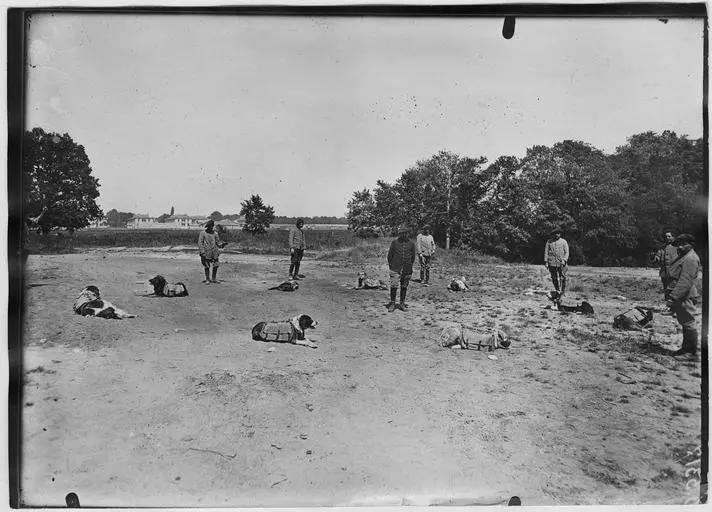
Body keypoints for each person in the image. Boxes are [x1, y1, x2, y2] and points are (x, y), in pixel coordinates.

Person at [666, 234, 701, 357]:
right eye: (679, 244)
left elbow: (685, 281)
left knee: (688, 322)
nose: (680, 247)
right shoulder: (684, 256)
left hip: (685, 295)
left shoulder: (690, 258)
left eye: (683, 244)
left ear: (691, 245)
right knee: (684, 321)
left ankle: (690, 351)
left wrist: (673, 297)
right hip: (682, 295)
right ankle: (686, 348)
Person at [386, 225, 416, 312]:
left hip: (407, 268)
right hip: (395, 268)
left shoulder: (411, 244)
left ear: (407, 234)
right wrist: (392, 266)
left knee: (404, 286)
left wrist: (409, 265)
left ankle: (402, 303)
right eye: (402, 233)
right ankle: (392, 303)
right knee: (394, 286)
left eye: (405, 233)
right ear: (399, 234)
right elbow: (389, 256)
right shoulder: (394, 242)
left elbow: (413, 257)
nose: (404, 235)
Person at [544, 227, 569, 295]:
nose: (556, 235)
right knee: (554, 277)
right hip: (552, 262)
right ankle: (557, 290)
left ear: (560, 234)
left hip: (562, 262)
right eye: (555, 233)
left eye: (558, 233)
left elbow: (567, 252)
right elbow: (546, 252)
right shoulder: (549, 242)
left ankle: (562, 291)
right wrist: (546, 262)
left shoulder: (564, 241)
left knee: (563, 277)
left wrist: (564, 260)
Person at [654, 230, 677, 301]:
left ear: (673, 237)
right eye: (666, 236)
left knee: (673, 289)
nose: (667, 238)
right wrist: (656, 258)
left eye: (669, 236)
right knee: (666, 288)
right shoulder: (662, 248)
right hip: (664, 272)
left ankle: (675, 306)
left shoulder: (677, 248)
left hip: (674, 272)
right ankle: (668, 305)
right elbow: (658, 256)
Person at [198, 219, 224, 284]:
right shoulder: (203, 233)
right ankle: (207, 279)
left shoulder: (215, 234)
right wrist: (202, 252)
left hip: (214, 252)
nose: (210, 228)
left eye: (211, 226)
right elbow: (200, 243)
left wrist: (222, 245)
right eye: (209, 227)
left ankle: (214, 278)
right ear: (207, 227)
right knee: (207, 266)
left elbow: (218, 243)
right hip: (206, 252)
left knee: (216, 265)